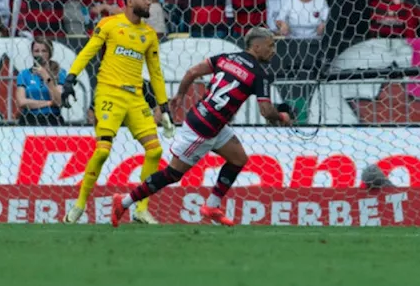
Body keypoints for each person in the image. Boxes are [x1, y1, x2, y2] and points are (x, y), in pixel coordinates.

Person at [113, 28, 289, 227]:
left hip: (210, 122)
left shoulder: (227, 58)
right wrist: (282, 116)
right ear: (256, 46)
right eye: (270, 45)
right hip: (201, 130)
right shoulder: (259, 74)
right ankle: (124, 201)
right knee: (172, 174)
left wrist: (180, 95)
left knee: (238, 159)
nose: (273, 50)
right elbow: (266, 111)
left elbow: (192, 72)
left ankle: (212, 206)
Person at [63, 0, 169, 225]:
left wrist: (164, 104)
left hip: (135, 99)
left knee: (155, 150)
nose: (148, 3)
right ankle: (79, 205)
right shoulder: (109, 24)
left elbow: (155, 72)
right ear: (129, 1)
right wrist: (71, 77)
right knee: (102, 151)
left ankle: (141, 209)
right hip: (109, 93)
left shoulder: (149, 35)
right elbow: (89, 50)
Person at [14, 38, 66, 126]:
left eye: (44, 51)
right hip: (29, 119)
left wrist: (47, 78)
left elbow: (58, 101)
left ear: (50, 53)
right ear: (32, 53)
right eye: (36, 51)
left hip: (52, 119)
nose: (40, 54)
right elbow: (21, 102)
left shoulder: (60, 73)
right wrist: (49, 103)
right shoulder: (24, 74)